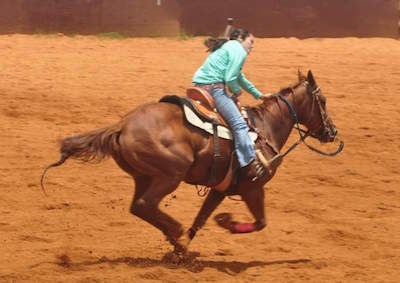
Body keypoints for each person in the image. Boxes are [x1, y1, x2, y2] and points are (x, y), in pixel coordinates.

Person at [192, 28, 269, 181]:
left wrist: (258, 94)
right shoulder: (238, 49)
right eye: (251, 42)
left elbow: (239, 77)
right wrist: (236, 91)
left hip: (199, 86)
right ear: (240, 38)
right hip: (214, 89)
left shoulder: (227, 47)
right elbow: (231, 77)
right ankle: (249, 165)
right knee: (239, 125)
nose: (252, 46)